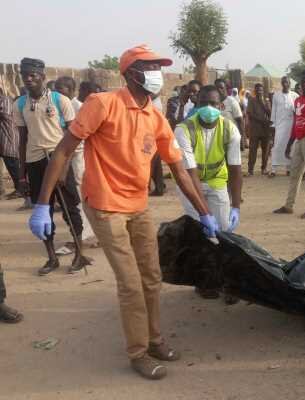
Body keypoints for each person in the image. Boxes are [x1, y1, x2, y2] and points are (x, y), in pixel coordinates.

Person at [28, 44, 219, 380]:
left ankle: (155, 339)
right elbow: (62, 152)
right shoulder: (102, 104)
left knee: (152, 277)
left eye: (160, 66)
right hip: (104, 206)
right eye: (151, 66)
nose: (157, 73)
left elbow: (178, 168)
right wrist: (43, 204)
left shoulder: (155, 115)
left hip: (138, 204)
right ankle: (139, 352)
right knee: (131, 283)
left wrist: (204, 212)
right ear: (131, 73)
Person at [15, 58, 84, 275]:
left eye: (33, 74)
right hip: (35, 161)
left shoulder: (59, 100)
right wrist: (22, 175)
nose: (28, 78)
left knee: (70, 209)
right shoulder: (20, 104)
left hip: (58, 157)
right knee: (42, 211)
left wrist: (64, 168)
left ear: (43, 77)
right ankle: (52, 257)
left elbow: (73, 137)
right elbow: (23, 140)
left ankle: (80, 254)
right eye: (25, 74)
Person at [173, 85, 243, 301]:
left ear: (221, 106)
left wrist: (236, 206)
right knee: (200, 233)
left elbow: (235, 168)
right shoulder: (184, 129)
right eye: (203, 103)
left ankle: (228, 282)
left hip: (217, 182)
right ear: (196, 104)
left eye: (213, 104)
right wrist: (204, 213)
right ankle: (204, 281)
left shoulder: (229, 129)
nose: (208, 108)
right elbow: (190, 173)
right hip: (190, 185)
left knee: (223, 233)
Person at [54, 77, 97, 250]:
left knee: (78, 195)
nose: (58, 93)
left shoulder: (77, 107)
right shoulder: (63, 105)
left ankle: (83, 235)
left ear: (72, 90)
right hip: (69, 155)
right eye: (56, 89)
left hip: (77, 156)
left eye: (62, 89)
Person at [273, 71, 305, 218]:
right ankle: (289, 206)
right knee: (294, 173)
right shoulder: (299, 100)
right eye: (303, 82)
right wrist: (290, 143)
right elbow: (296, 122)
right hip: (299, 139)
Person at [270, 76, 298, 177]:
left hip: (291, 125)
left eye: (287, 82)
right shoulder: (276, 95)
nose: (285, 84)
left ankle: (288, 168)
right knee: (277, 145)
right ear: (281, 84)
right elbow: (273, 110)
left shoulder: (295, 95)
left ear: (290, 84)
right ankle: (273, 169)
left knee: (290, 146)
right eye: (284, 82)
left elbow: (297, 111)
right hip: (279, 125)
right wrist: (273, 124)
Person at [246, 83, 272, 176]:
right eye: (257, 90)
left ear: (263, 91)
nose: (259, 92)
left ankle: (264, 168)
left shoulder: (266, 101)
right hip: (255, 129)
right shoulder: (251, 100)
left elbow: (270, 113)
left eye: (261, 90)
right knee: (253, 150)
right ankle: (250, 169)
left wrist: (264, 104)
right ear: (255, 91)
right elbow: (250, 114)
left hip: (265, 130)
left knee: (266, 150)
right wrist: (262, 120)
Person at [0, 87, 21, 199]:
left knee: (12, 164)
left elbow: (4, 114)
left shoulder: (5, 100)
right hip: (3, 139)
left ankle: (20, 189)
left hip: (9, 137)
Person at [215, 78, 245, 151]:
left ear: (226, 88)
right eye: (216, 88)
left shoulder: (232, 101)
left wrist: (242, 139)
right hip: (218, 138)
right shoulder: (214, 102)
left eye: (221, 88)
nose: (219, 90)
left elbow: (240, 121)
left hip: (232, 137)